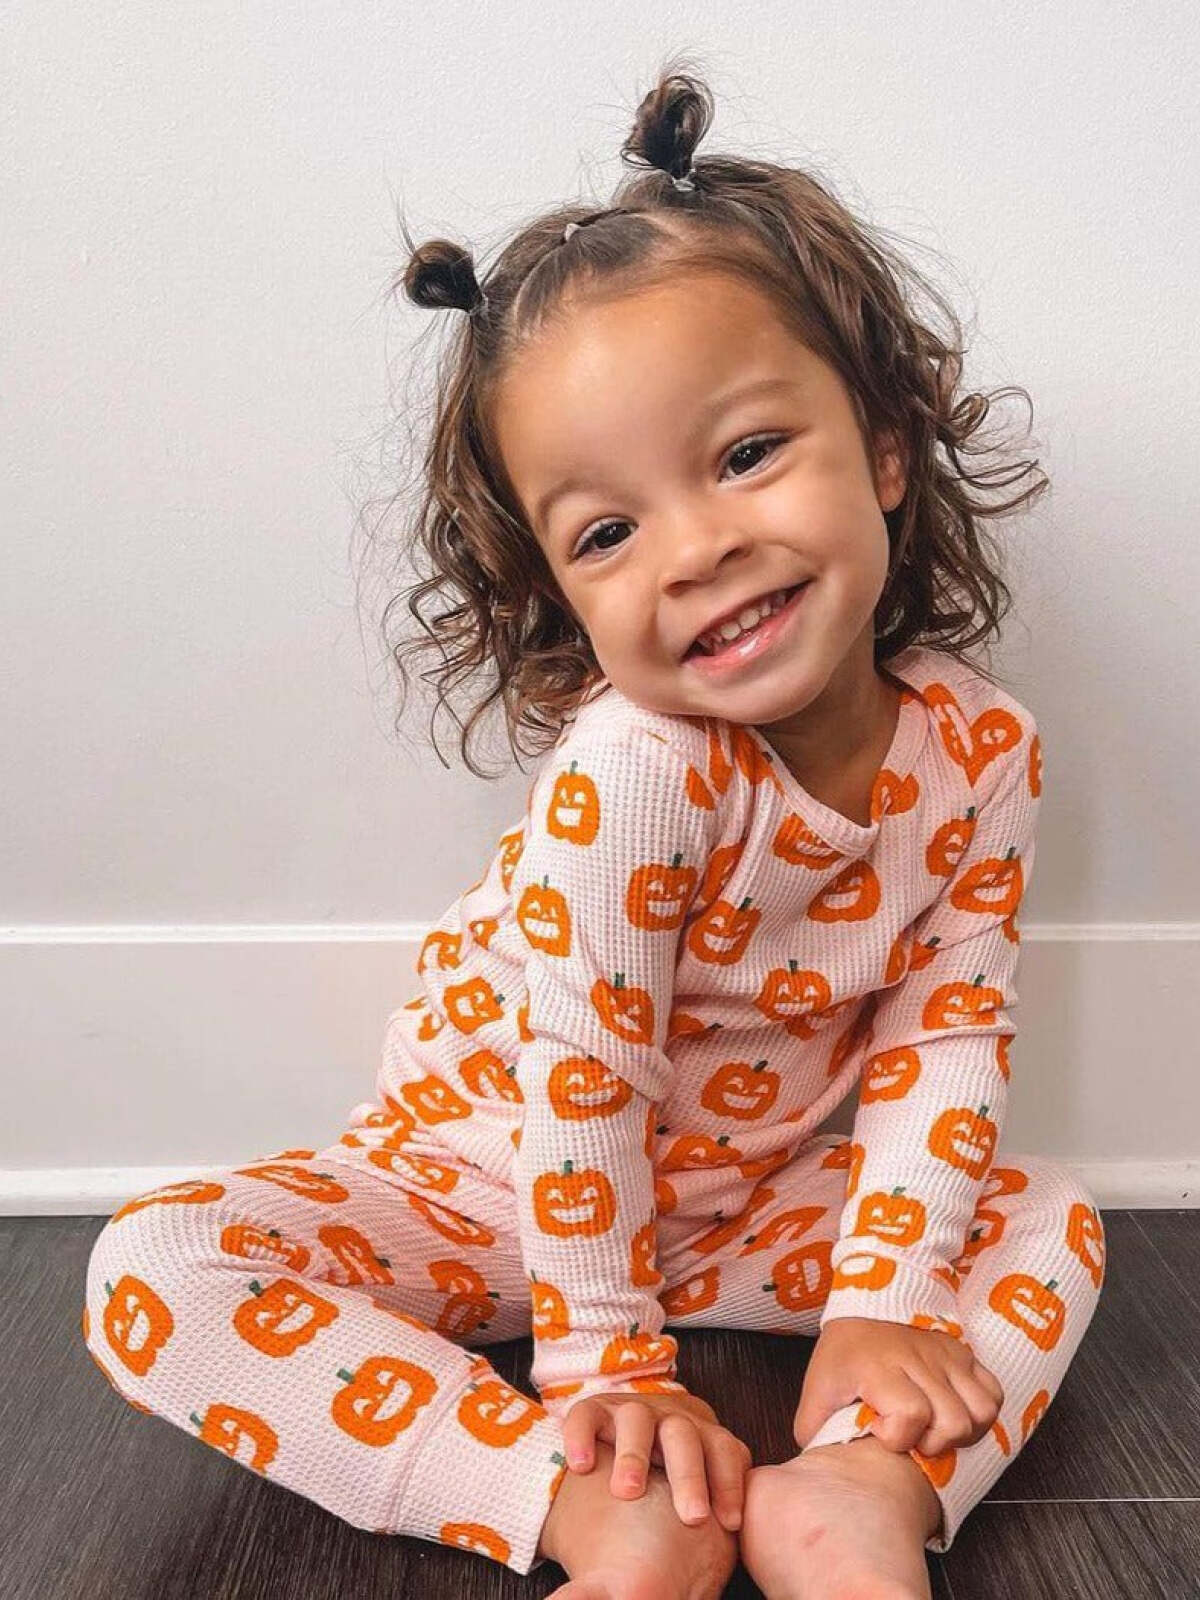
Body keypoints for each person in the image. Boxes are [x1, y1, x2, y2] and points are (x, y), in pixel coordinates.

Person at [82, 63, 1106, 1600]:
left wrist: (886, 1298)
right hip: (497, 1182)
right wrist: (605, 1370)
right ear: (560, 594)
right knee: (153, 1270)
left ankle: (862, 1482)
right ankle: (580, 1506)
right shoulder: (639, 768)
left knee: (1053, 1225)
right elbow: (587, 1075)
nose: (699, 551)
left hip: (751, 1205)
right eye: (609, 533)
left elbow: (943, 1032)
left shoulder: (985, 752)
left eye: (749, 453)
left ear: (885, 450)